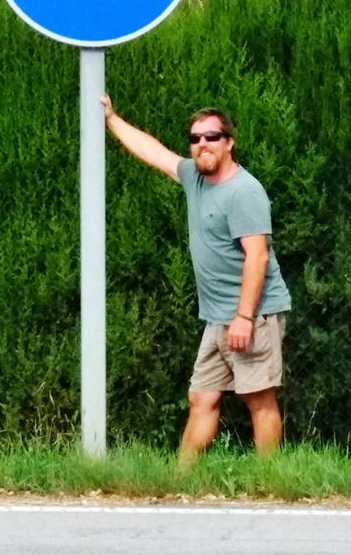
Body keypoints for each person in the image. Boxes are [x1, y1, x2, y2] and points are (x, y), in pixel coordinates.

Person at [101, 94, 291, 462]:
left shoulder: (244, 192)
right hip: (217, 317)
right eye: (195, 138)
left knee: (259, 399)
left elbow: (258, 256)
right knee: (201, 397)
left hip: (253, 314)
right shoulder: (195, 178)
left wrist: (244, 318)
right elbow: (154, 152)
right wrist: (111, 119)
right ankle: (179, 482)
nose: (202, 144)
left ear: (229, 142)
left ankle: (271, 483)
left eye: (212, 136)